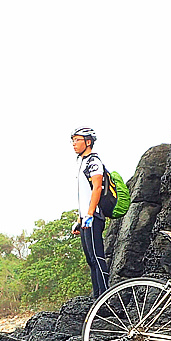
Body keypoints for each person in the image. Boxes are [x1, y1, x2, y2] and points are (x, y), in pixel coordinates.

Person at [71, 127, 111, 299]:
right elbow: (83, 194)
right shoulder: (81, 162)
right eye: (72, 140)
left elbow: (96, 188)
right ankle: (97, 297)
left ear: (88, 142)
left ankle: (105, 296)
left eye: (77, 140)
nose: (74, 144)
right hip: (85, 217)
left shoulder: (94, 161)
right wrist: (79, 219)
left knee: (97, 257)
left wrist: (89, 214)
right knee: (90, 260)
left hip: (93, 216)